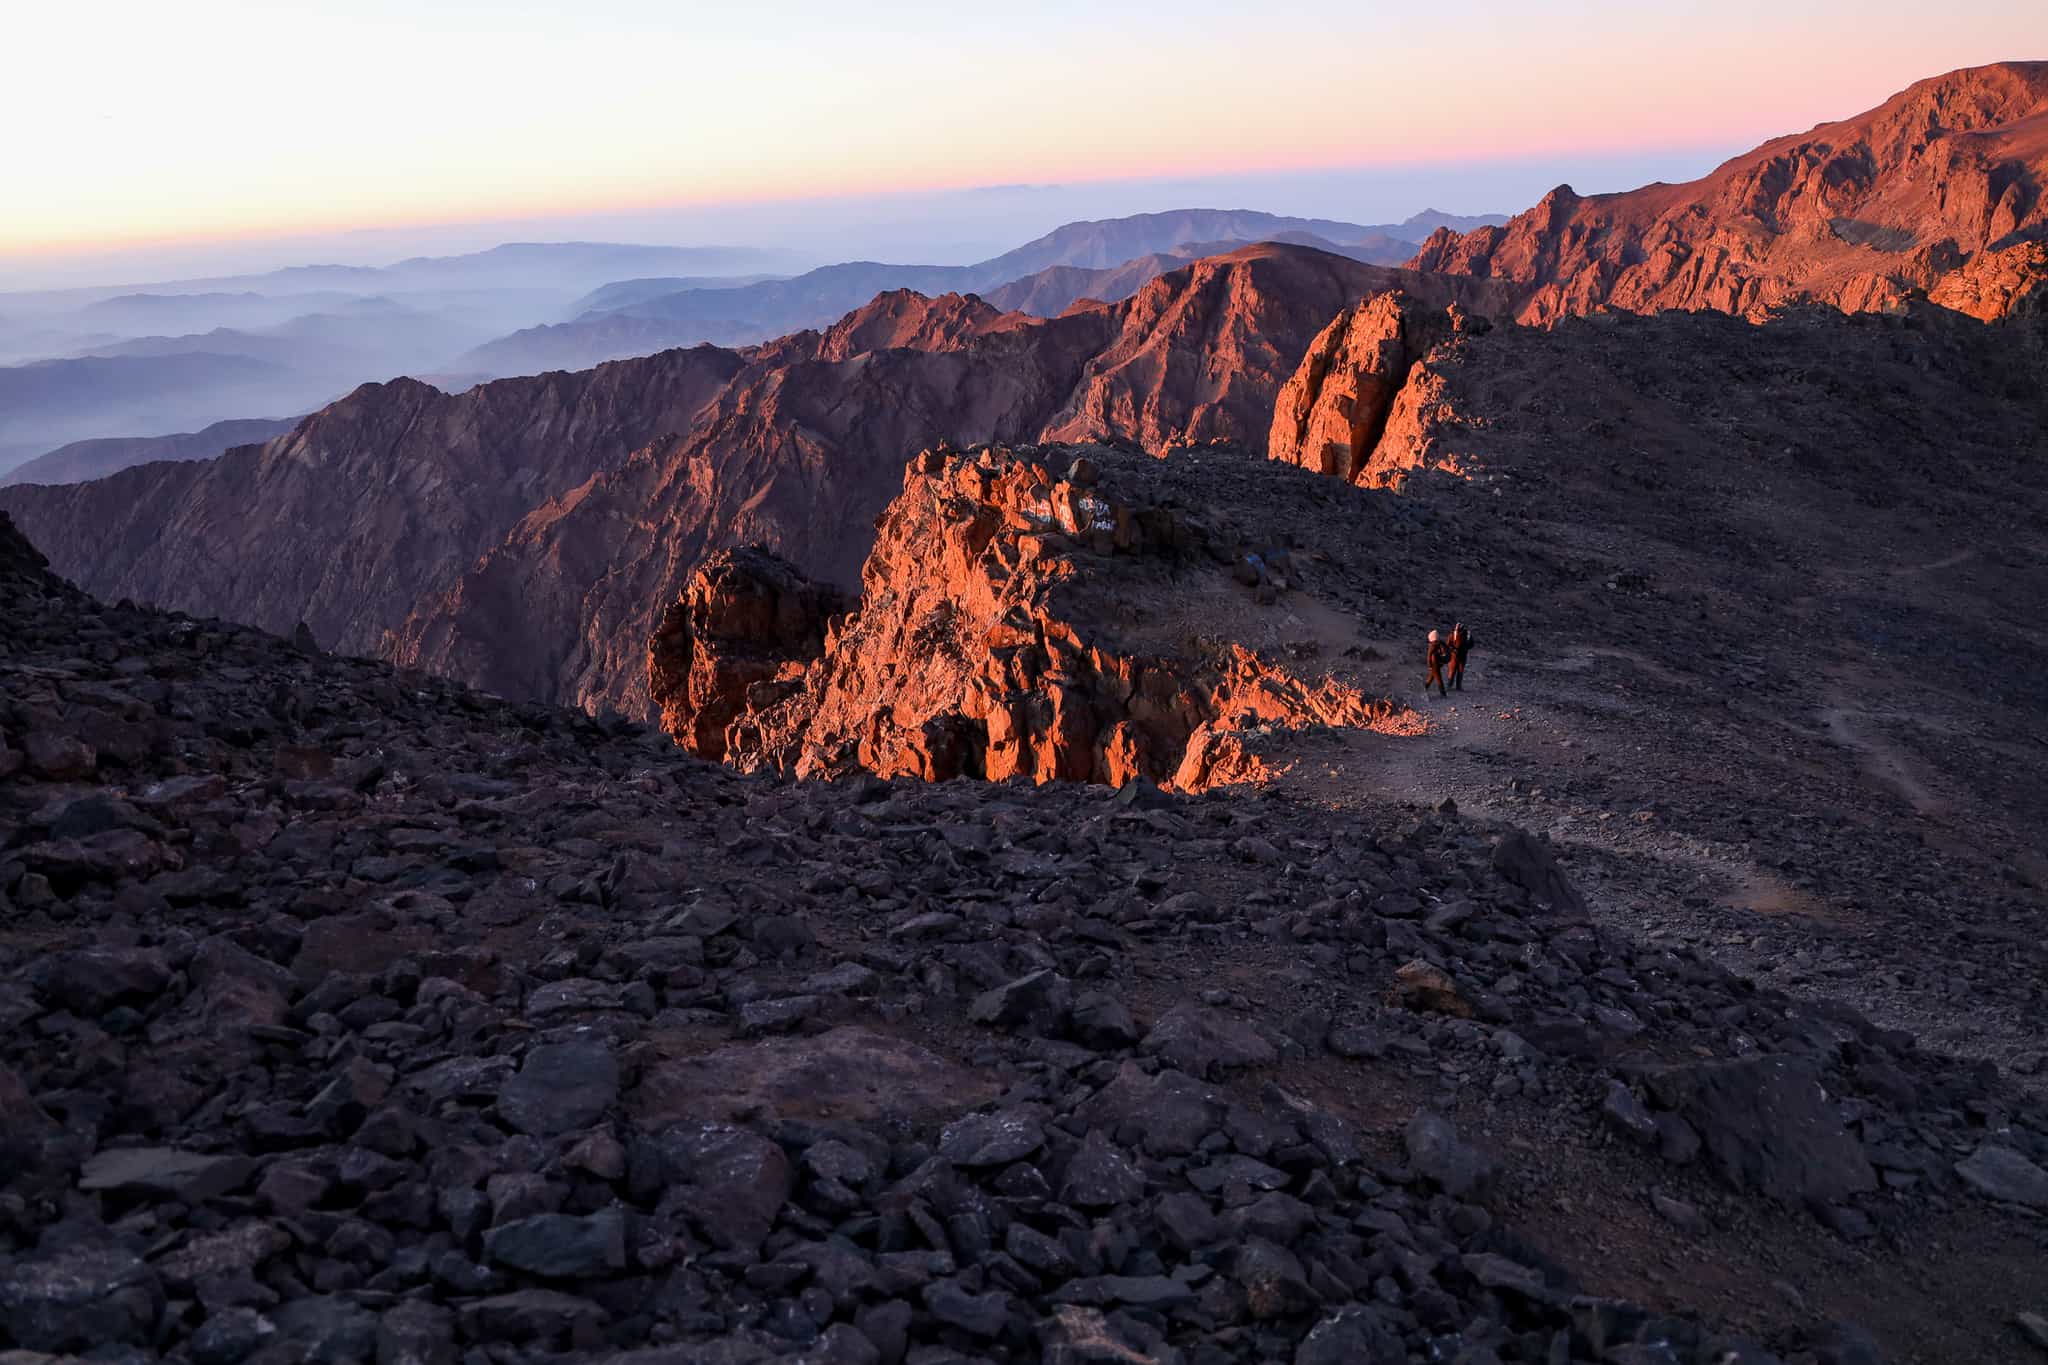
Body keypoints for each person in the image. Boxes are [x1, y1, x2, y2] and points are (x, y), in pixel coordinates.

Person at [1425, 629, 1451, 697]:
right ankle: (1425, 688)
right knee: (1433, 676)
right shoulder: (1441, 642)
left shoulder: (1432, 645)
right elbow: (1448, 650)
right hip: (1441, 662)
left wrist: (1429, 666)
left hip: (1435, 664)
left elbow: (1429, 656)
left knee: (1438, 678)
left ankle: (1443, 694)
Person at [1448, 623, 1473, 691]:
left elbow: (1471, 644)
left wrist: (1465, 648)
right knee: (1454, 671)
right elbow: (1449, 644)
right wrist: (1453, 650)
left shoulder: (1466, 635)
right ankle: (1452, 686)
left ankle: (1455, 686)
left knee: (1458, 671)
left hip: (1459, 656)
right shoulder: (1454, 634)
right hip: (1455, 656)